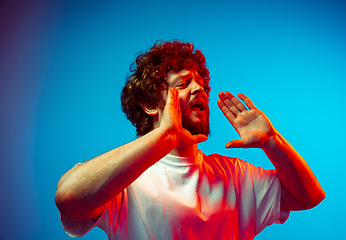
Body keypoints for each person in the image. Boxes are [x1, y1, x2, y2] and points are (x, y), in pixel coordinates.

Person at [55, 40, 325, 240]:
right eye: (183, 84)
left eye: (200, 84)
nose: (199, 89)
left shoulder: (236, 175)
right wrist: (165, 136)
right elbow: (69, 199)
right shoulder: (125, 179)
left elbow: (309, 196)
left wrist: (273, 142)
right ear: (150, 105)